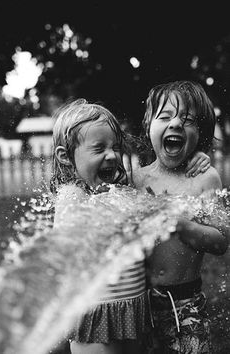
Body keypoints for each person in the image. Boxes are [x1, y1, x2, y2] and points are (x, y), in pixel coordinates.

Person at [50, 97, 211, 354]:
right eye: (99, 148)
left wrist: (195, 155)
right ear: (65, 156)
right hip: (98, 313)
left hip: (128, 308)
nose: (112, 155)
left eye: (115, 146)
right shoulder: (72, 195)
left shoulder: (113, 189)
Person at [133, 80, 229, 353]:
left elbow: (220, 241)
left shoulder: (204, 178)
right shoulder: (136, 179)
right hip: (140, 302)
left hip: (185, 303)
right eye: (164, 117)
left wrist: (180, 224)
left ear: (200, 134)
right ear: (149, 125)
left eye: (187, 121)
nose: (175, 124)